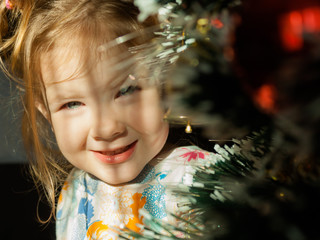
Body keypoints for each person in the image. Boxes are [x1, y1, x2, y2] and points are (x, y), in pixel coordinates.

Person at [0, 0, 215, 239]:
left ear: (165, 83)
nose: (106, 128)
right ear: (46, 111)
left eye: (126, 91)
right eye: (72, 104)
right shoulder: (75, 189)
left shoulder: (201, 182)